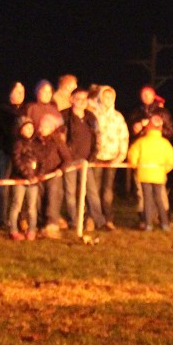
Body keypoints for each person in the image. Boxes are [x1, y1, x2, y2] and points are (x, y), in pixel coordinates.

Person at [62, 88, 105, 231]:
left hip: (86, 160)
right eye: (78, 98)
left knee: (92, 191)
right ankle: (74, 220)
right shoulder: (64, 116)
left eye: (84, 99)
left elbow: (97, 137)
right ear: (72, 99)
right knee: (70, 192)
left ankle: (99, 220)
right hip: (69, 160)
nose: (81, 102)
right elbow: (60, 139)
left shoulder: (91, 117)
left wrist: (93, 155)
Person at [127, 115, 173, 231]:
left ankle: (148, 224)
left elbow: (132, 156)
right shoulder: (165, 143)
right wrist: (164, 170)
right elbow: (171, 160)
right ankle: (165, 223)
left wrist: (135, 166)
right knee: (159, 199)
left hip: (144, 174)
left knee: (147, 199)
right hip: (159, 175)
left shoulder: (140, 142)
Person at [91, 86, 128, 230]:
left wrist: (120, 157)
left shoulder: (118, 117)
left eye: (110, 97)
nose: (108, 100)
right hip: (97, 158)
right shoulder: (94, 115)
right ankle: (92, 218)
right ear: (100, 98)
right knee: (94, 189)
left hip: (112, 159)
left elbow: (124, 137)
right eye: (105, 97)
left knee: (107, 191)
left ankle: (108, 219)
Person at [0, 81, 26, 228]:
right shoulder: (4, 110)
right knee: (3, 184)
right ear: (10, 93)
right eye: (18, 91)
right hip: (6, 151)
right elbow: (9, 129)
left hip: (21, 153)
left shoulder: (23, 110)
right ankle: (0, 218)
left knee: (20, 184)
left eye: (23, 92)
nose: (21, 95)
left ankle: (18, 217)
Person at [35, 113, 72, 238]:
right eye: (41, 125)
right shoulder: (35, 141)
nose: (42, 128)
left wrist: (60, 170)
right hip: (39, 175)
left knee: (52, 200)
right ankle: (40, 225)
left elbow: (67, 159)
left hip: (53, 175)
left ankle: (52, 226)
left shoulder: (57, 141)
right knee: (38, 201)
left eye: (45, 126)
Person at [8, 118, 41, 241]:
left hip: (33, 180)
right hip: (21, 179)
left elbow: (41, 160)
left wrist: (38, 175)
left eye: (31, 128)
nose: (30, 130)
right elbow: (17, 161)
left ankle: (32, 230)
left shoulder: (36, 143)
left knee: (32, 207)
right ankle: (13, 230)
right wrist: (27, 175)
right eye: (27, 128)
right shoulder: (18, 144)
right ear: (20, 129)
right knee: (17, 205)